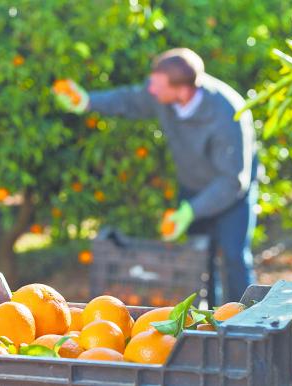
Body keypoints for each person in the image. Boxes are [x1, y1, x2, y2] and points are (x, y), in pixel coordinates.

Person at [54, 48, 258, 305]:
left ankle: (247, 323)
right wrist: (88, 101)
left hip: (231, 191)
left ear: (182, 91)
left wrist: (190, 211)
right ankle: (212, 323)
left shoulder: (227, 115)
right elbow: (128, 100)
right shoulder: (164, 96)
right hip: (192, 186)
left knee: (233, 256)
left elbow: (232, 181)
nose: (150, 90)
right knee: (200, 259)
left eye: (156, 86)